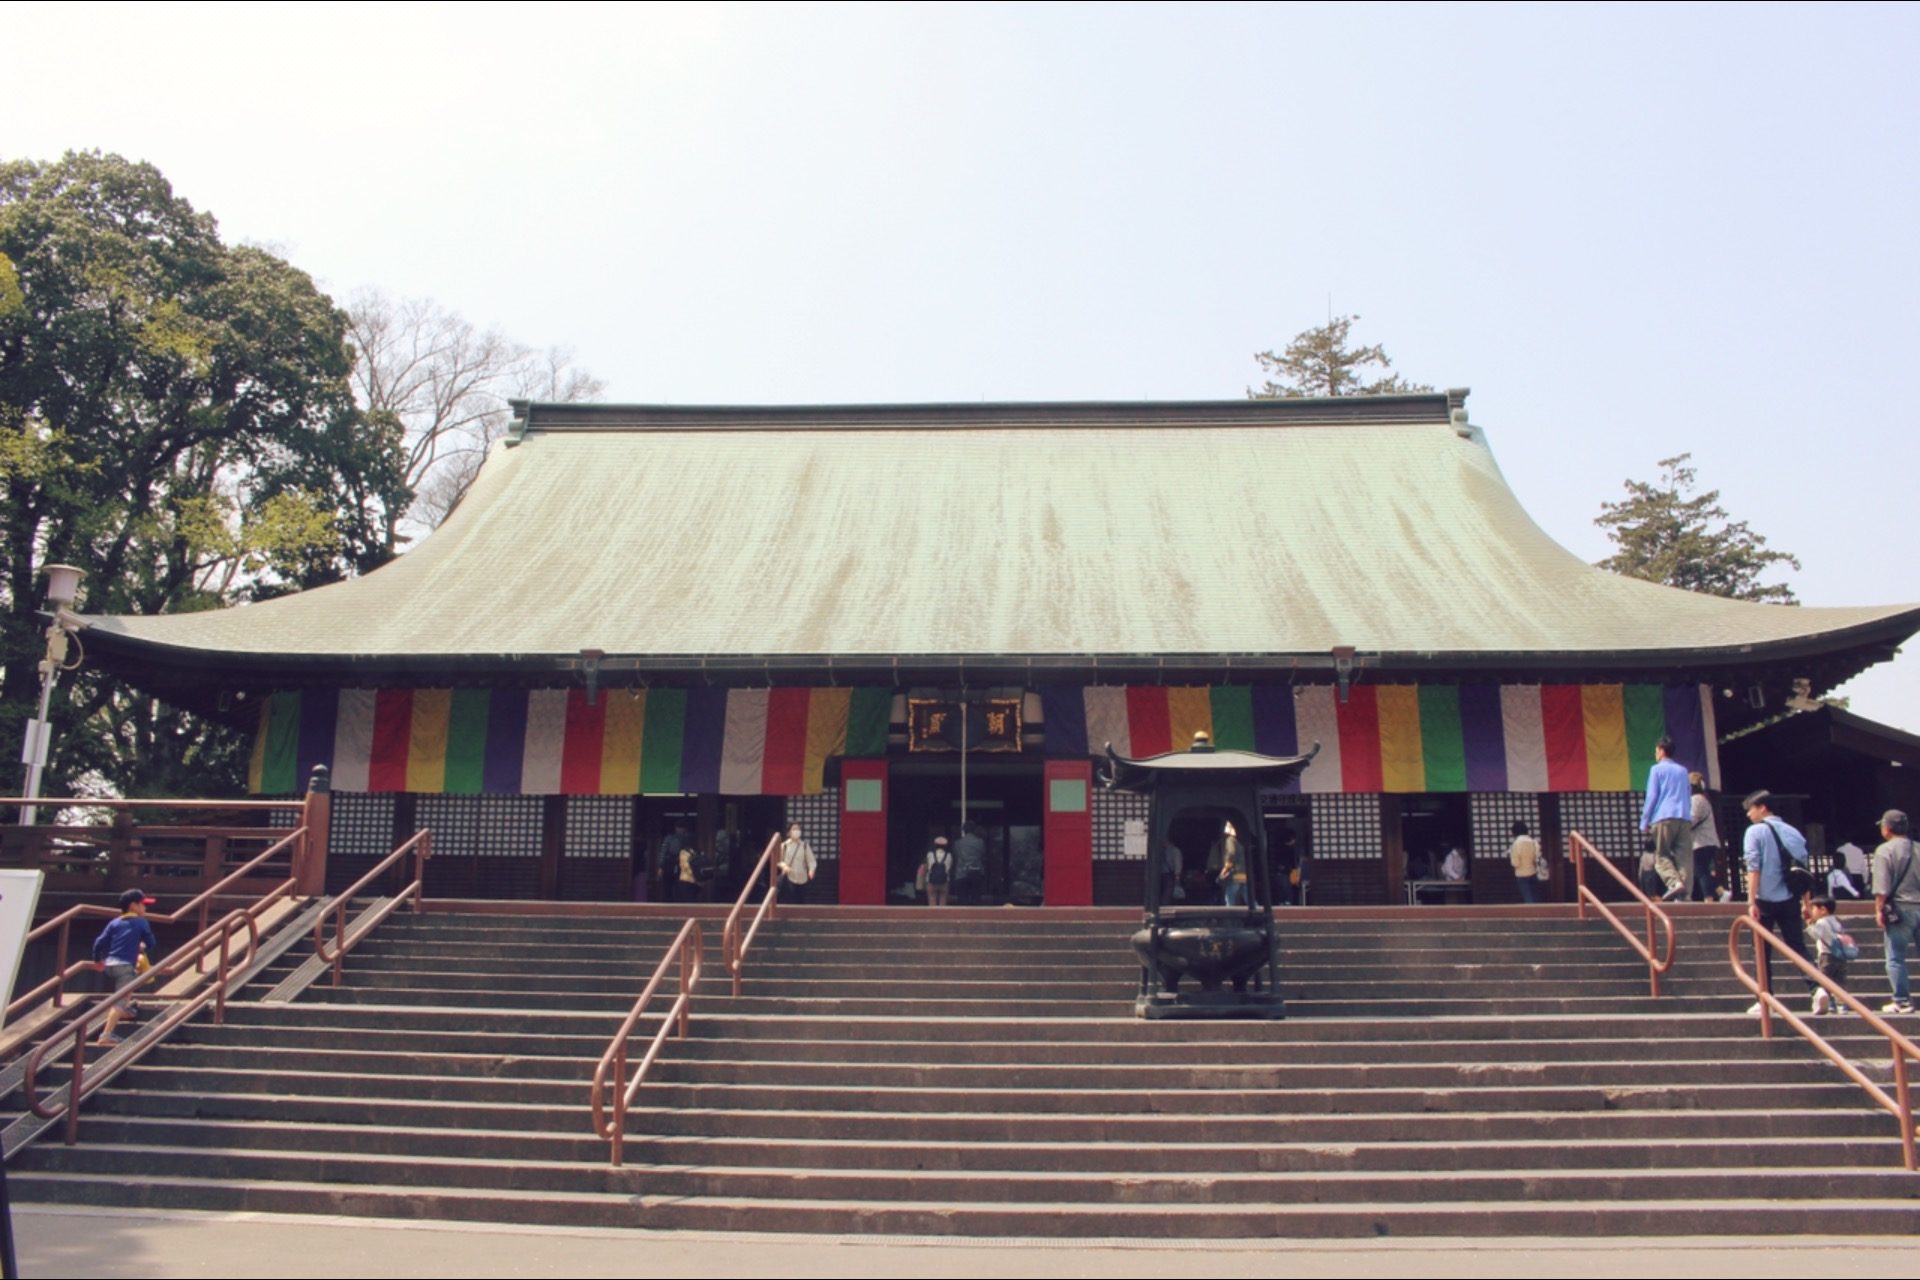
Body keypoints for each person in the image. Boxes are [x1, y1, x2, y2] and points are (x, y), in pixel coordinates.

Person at [1742, 790, 1812, 1012]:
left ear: (1763, 808)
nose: (1748, 815)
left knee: (1761, 949)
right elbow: (1802, 871)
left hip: (1765, 898)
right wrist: (1807, 903)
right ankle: (1817, 988)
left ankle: (1765, 997)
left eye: (1750, 809)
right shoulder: (1793, 832)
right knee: (1797, 946)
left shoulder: (1755, 832)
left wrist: (1751, 901)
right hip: (1790, 897)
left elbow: (1754, 868)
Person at [91, 888, 159, 1047]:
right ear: (133, 906)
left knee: (128, 986)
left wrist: (97, 961)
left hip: (110, 964)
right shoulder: (141, 922)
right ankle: (106, 1034)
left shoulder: (114, 922)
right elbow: (151, 943)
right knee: (121, 998)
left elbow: (99, 942)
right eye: (143, 905)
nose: (145, 908)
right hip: (125, 965)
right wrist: (142, 945)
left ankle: (126, 1010)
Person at [1870, 809, 1920, 1015]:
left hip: (1900, 909)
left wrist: (1878, 909)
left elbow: (1881, 886)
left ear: (1887, 828)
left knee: (1895, 957)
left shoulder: (1885, 850)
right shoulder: (1918, 848)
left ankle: (1901, 1000)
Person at [1640, 737, 1692, 901]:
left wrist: (1644, 821)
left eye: (1656, 751)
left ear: (1661, 751)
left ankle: (1674, 883)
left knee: (1661, 856)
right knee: (1684, 858)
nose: (1655, 754)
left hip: (1663, 816)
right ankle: (1685, 895)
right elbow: (1687, 793)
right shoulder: (1683, 771)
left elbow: (1652, 796)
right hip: (1683, 817)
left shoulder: (1656, 770)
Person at [1804, 895, 1855, 1016]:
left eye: (1814, 909)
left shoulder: (1822, 922)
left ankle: (1829, 1003)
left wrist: (1809, 925)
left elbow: (1816, 935)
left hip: (1826, 956)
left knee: (1824, 980)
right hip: (1840, 956)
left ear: (1823, 910)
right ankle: (1842, 1005)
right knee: (1839, 982)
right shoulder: (1836, 921)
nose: (1812, 912)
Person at [1687, 773, 1723, 902]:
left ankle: (1709, 898)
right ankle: (1721, 892)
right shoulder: (1702, 799)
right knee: (1702, 870)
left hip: (1702, 841)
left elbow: (1692, 820)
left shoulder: (1696, 799)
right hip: (1706, 841)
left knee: (1700, 870)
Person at [777, 822, 816, 904]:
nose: (797, 831)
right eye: (794, 829)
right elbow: (778, 861)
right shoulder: (784, 845)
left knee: (801, 903)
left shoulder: (805, 845)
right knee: (789, 902)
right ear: (789, 832)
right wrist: (784, 866)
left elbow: (811, 860)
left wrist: (811, 870)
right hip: (789, 878)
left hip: (803, 879)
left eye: (798, 829)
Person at [1212, 821, 1247, 907]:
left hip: (1234, 873)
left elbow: (1231, 853)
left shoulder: (1230, 840)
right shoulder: (1238, 843)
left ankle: (1229, 913)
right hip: (1242, 872)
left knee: (1229, 896)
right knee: (1247, 896)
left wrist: (1225, 868)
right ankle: (1258, 909)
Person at [953, 823, 987, 904]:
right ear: (974, 830)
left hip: (961, 873)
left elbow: (956, 855)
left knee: (962, 900)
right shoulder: (980, 842)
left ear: (964, 830)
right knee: (976, 899)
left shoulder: (957, 843)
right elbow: (983, 855)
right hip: (976, 872)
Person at [1508, 821, 1542, 903]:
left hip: (1521, 874)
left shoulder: (1516, 844)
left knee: (1528, 897)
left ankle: (1531, 915)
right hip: (1533, 872)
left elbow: (1515, 863)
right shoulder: (1533, 842)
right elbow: (1537, 857)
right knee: (1535, 896)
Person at [921, 836, 954, 907]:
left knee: (932, 899)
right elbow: (950, 867)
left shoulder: (929, 854)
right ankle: (942, 917)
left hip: (931, 881)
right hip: (944, 881)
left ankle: (933, 917)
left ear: (935, 845)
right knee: (943, 900)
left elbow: (926, 867)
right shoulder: (949, 855)